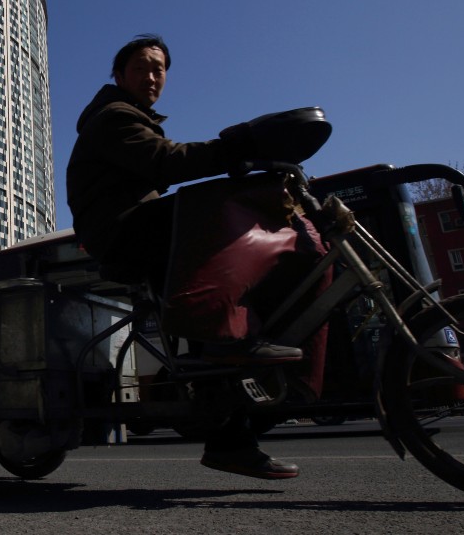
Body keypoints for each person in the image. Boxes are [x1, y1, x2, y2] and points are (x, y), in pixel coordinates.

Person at [66, 34, 305, 479]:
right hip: (123, 233)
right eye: (141, 67)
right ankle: (230, 379)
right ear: (119, 76)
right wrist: (242, 145)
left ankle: (234, 425)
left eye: (159, 69)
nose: (152, 76)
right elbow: (166, 162)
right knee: (213, 207)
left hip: (136, 229)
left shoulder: (129, 116)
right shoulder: (113, 117)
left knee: (225, 269)